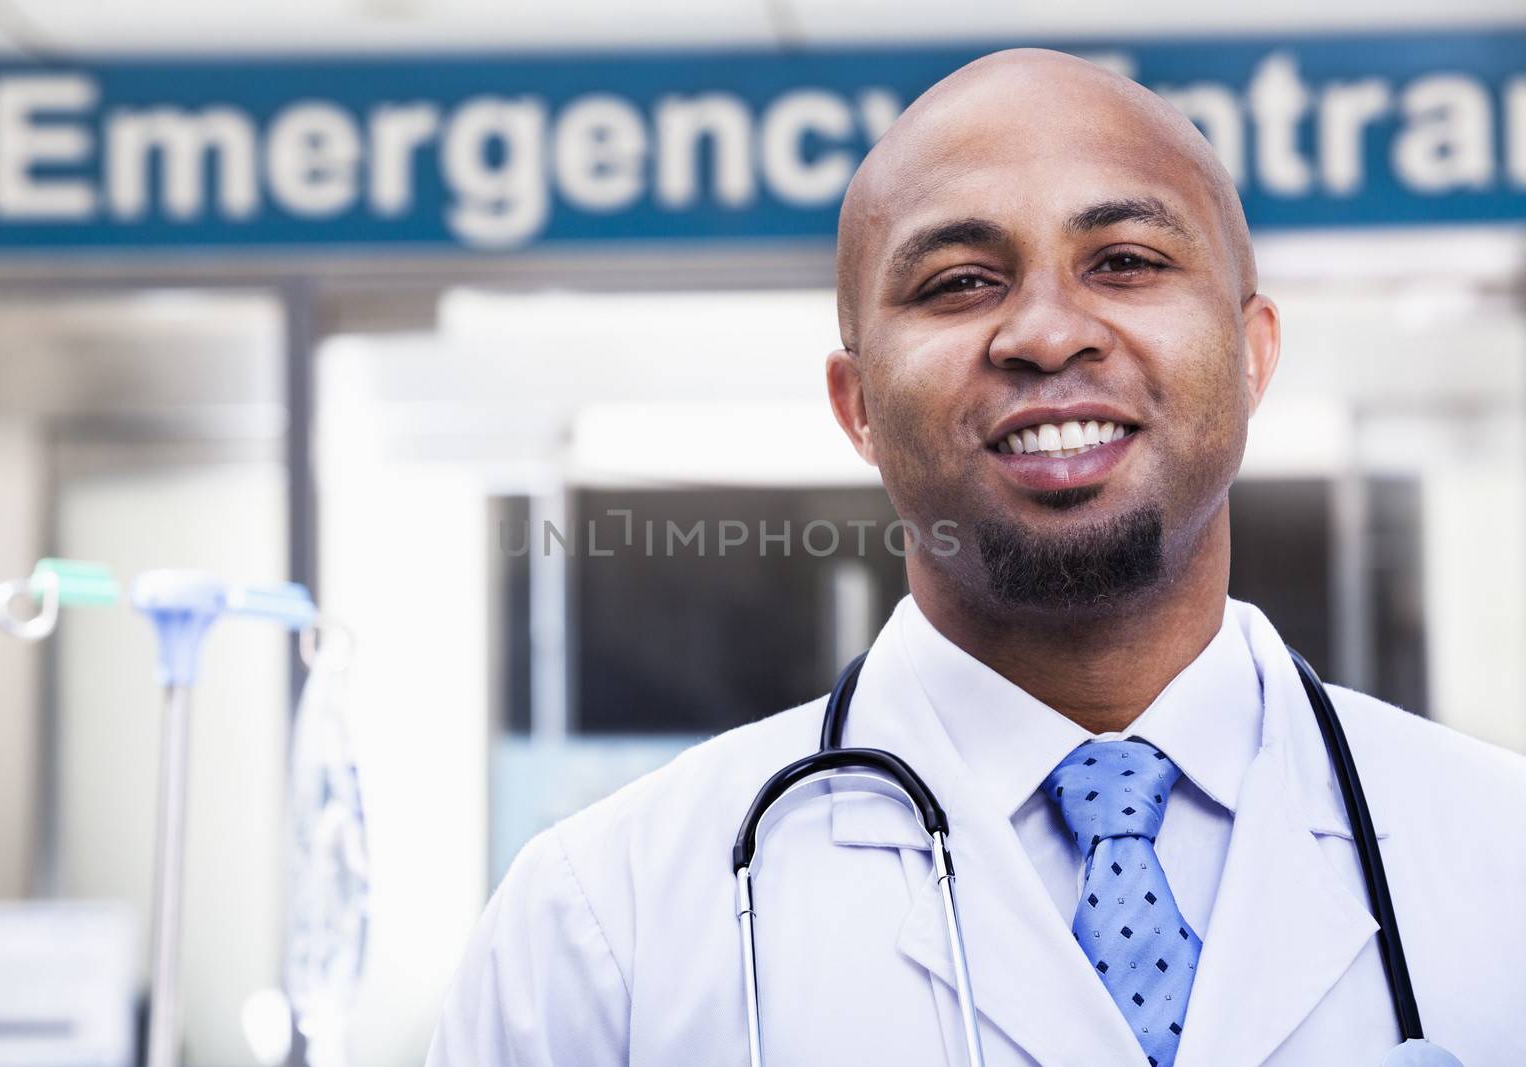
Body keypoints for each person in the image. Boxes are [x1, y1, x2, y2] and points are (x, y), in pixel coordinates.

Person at [426, 49, 1526, 1066]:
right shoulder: (601, 926)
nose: (1047, 334)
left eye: (1127, 261)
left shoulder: (1500, 854)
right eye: (958, 281)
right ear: (855, 405)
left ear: (1251, 353)